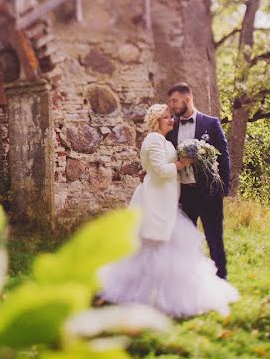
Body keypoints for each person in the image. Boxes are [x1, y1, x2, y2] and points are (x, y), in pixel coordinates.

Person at [96, 104, 238, 318]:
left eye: (171, 117)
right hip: (154, 201)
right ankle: (139, 294)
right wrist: (182, 163)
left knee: (163, 247)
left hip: (165, 200)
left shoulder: (162, 140)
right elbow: (161, 170)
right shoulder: (153, 139)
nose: (171, 120)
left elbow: (153, 167)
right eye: (166, 117)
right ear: (156, 122)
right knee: (152, 246)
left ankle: (160, 295)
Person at [166, 83, 231, 279]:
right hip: (185, 194)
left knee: (214, 239)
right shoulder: (172, 127)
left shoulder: (211, 124)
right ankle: (190, 279)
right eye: (170, 102)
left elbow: (224, 156)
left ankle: (221, 281)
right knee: (186, 240)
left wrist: (223, 188)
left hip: (209, 193)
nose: (172, 105)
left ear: (188, 99)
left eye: (175, 101)